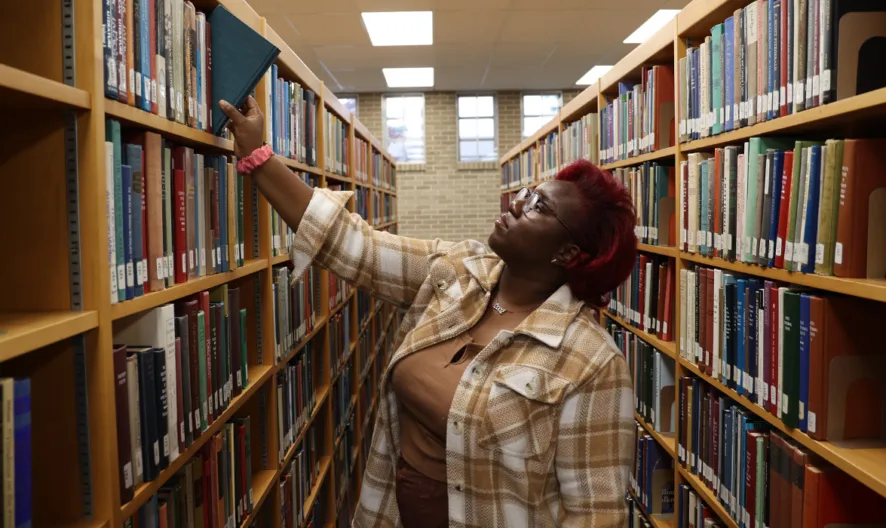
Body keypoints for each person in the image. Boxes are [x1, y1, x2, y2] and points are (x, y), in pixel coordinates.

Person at [221, 96, 638, 528]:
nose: (516, 203)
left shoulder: (591, 361)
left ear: (568, 252)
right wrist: (258, 154)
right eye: (528, 193)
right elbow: (353, 246)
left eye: (539, 207)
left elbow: (596, 515)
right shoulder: (456, 272)